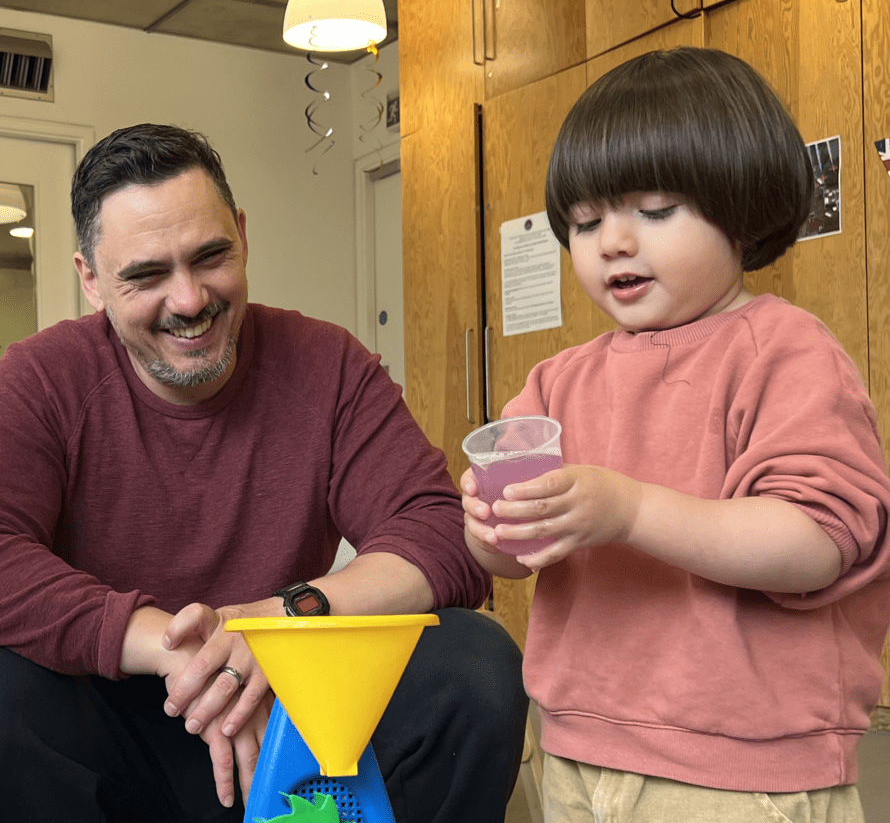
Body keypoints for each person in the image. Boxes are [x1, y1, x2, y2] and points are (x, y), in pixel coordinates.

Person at [0, 123, 527, 823]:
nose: (189, 300)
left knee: (474, 660)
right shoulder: (38, 378)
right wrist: (181, 647)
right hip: (112, 730)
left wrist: (279, 624)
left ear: (243, 236)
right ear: (91, 280)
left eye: (210, 256)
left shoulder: (327, 365)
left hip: (297, 721)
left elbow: (437, 530)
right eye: (147, 274)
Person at [461, 47, 890, 822]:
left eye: (654, 211)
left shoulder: (785, 350)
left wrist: (627, 511)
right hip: (577, 747)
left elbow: (817, 541)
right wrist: (493, 527)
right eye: (586, 222)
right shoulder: (558, 382)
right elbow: (509, 561)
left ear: (744, 204)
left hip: (739, 765)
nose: (612, 243)